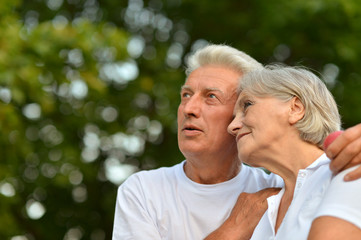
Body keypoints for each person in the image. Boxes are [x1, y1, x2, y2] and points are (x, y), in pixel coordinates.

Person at [112, 44, 361, 240]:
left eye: (211, 96)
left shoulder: (334, 175)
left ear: (295, 108)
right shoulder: (141, 190)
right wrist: (234, 229)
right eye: (185, 95)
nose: (188, 108)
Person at [227, 64, 361, 239]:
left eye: (247, 105)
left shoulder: (351, 169)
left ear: (295, 108)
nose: (232, 127)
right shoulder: (260, 213)